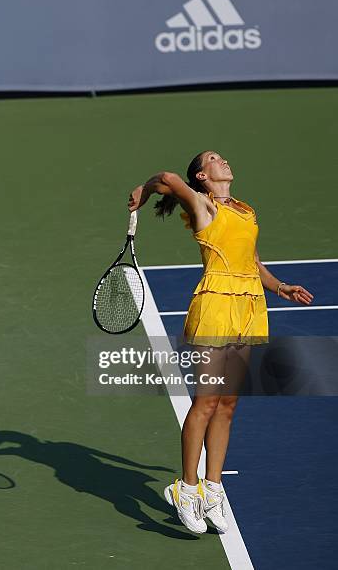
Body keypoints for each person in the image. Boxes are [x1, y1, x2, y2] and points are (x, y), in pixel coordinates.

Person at [128, 150, 313, 534]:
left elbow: (252, 261)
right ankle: (186, 488)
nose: (224, 160)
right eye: (214, 159)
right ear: (201, 176)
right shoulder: (202, 206)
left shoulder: (245, 210)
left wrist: (280, 287)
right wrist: (144, 191)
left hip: (248, 308)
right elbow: (164, 176)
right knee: (207, 400)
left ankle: (213, 488)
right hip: (215, 306)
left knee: (228, 403)